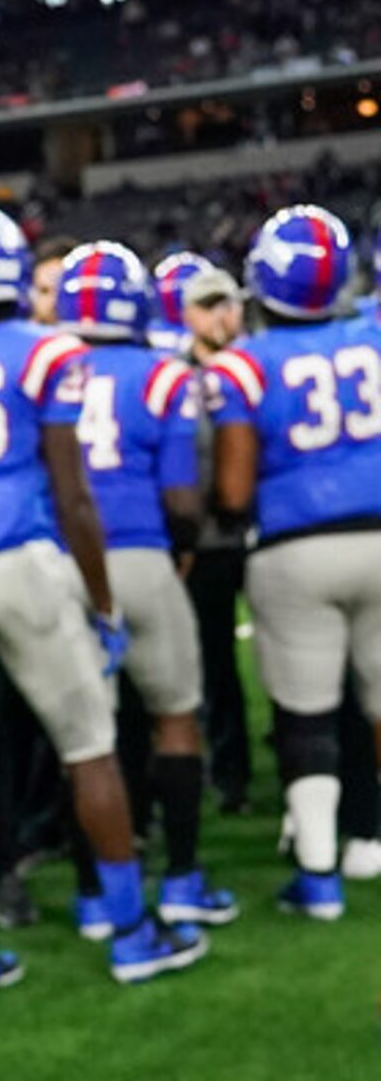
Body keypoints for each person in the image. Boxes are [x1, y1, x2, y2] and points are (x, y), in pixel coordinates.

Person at [0, 204, 207, 997]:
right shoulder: (47, 352)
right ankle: (130, 932)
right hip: (20, 557)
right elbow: (72, 492)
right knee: (88, 746)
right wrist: (101, 598)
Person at [50, 241, 237, 928]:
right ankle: (184, 878)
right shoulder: (161, 376)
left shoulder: (46, 365)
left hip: (66, 564)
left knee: (85, 739)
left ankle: (94, 892)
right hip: (141, 553)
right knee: (176, 715)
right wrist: (182, 551)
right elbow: (184, 501)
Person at [207, 204, 381, 920]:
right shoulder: (373, 337)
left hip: (295, 544)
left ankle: (318, 878)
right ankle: (371, 840)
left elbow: (236, 488)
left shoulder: (244, 365)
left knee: (306, 714)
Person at [159, 252, 262, 812]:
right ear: (187, 314)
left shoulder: (263, 364)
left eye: (228, 303)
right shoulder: (173, 377)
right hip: (210, 540)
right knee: (212, 662)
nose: (220, 315)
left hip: (270, 531)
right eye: (208, 305)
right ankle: (230, 776)